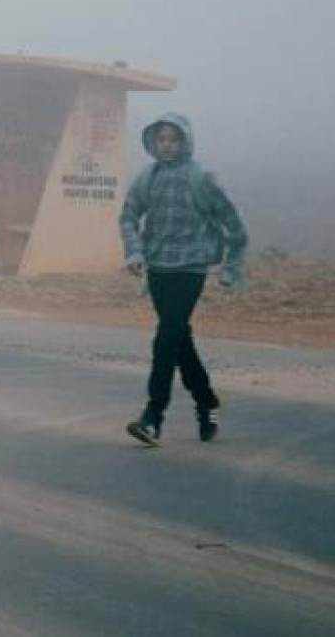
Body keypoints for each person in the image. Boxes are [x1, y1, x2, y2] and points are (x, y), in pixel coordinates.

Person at [119, 112, 247, 447]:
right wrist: (134, 252)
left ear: (185, 141)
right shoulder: (147, 178)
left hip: (190, 269)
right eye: (161, 139)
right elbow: (129, 215)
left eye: (174, 139)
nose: (167, 145)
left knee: (166, 338)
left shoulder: (202, 178)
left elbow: (234, 225)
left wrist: (231, 267)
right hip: (158, 270)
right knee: (179, 340)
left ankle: (152, 418)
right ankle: (207, 402)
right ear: (153, 142)